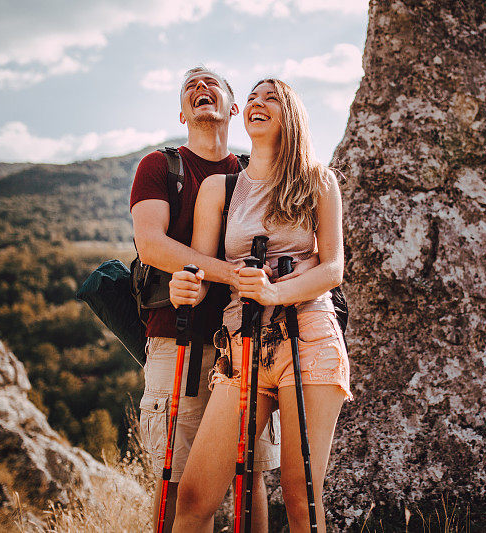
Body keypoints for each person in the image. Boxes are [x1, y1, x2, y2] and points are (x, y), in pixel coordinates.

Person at [168, 78, 352, 533]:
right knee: (194, 498)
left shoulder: (319, 181)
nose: (256, 102)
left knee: (299, 493)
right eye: (251, 96)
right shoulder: (219, 188)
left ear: (290, 116)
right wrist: (184, 287)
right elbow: (204, 268)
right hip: (241, 344)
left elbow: (332, 269)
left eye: (271, 97)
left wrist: (274, 292)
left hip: (307, 337)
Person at [130, 67, 302, 533]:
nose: (200, 90)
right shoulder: (161, 167)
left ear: (233, 108)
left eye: (212, 86)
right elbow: (151, 244)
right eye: (190, 87)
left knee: (249, 476)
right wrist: (228, 274)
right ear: (182, 113)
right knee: (180, 480)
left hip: (248, 344)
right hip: (176, 339)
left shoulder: (255, 173)